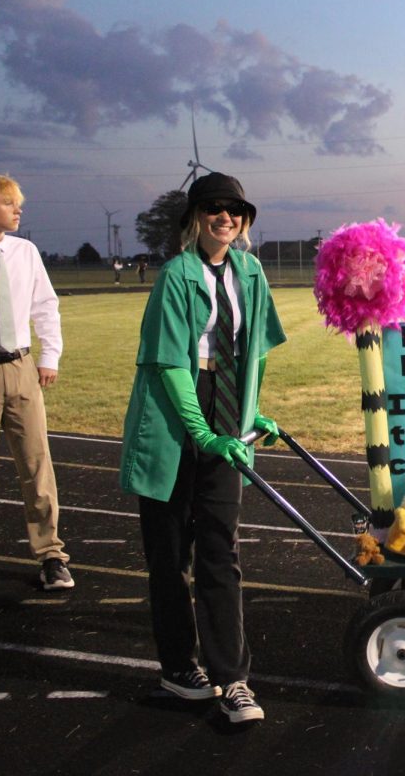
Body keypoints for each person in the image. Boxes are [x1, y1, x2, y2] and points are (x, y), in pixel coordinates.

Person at [119, 172, 284, 722]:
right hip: (176, 411)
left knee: (221, 550)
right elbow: (168, 364)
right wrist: (204, 431)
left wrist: (249, 410)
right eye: (213, 207)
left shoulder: (251, 272)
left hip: (226, 398)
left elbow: (255, 348)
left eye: (235, 208)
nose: (225, 216)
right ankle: (178, 669)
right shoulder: (176, 275)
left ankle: (233, 679)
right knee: (169, 557)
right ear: (195, 216)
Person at [0, 174, 72, 596]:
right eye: (8, 202)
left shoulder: (25, 252)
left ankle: (51, 555)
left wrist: (48, 357)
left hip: (22, 367)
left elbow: (45, 306)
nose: (18, 209)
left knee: (37, 464)